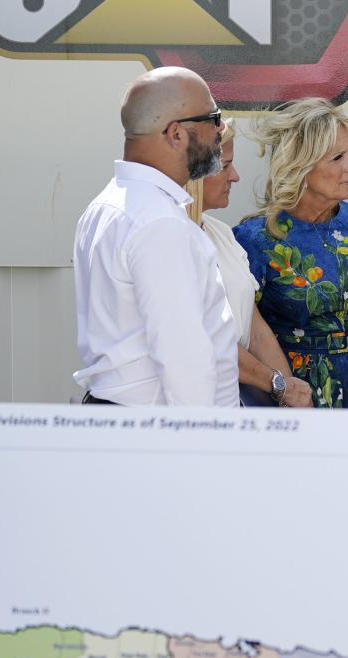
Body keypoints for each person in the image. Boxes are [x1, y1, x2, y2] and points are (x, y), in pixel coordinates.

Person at [73, 66, 238, 406]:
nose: (220, 129)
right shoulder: (159, 222)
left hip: (128, 423)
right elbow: (184, 360)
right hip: (155, 433)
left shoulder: (108, 204)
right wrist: (206, 448)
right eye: (213, 117)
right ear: (176, 134)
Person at [234, 98, 348, 409]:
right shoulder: (254, 239)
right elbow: (247, 332)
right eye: (337, 157)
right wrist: (284, 390)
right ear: (301, 167)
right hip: (295, 392)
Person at [185, 123, 311, 408]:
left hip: (232, 402)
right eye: (225, 165)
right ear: (193, 173)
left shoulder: (221, 233)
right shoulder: (175, 238)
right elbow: (209, 339)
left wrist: (291, 396)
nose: (236, 176)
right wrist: (276, 383)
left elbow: (254, 327)